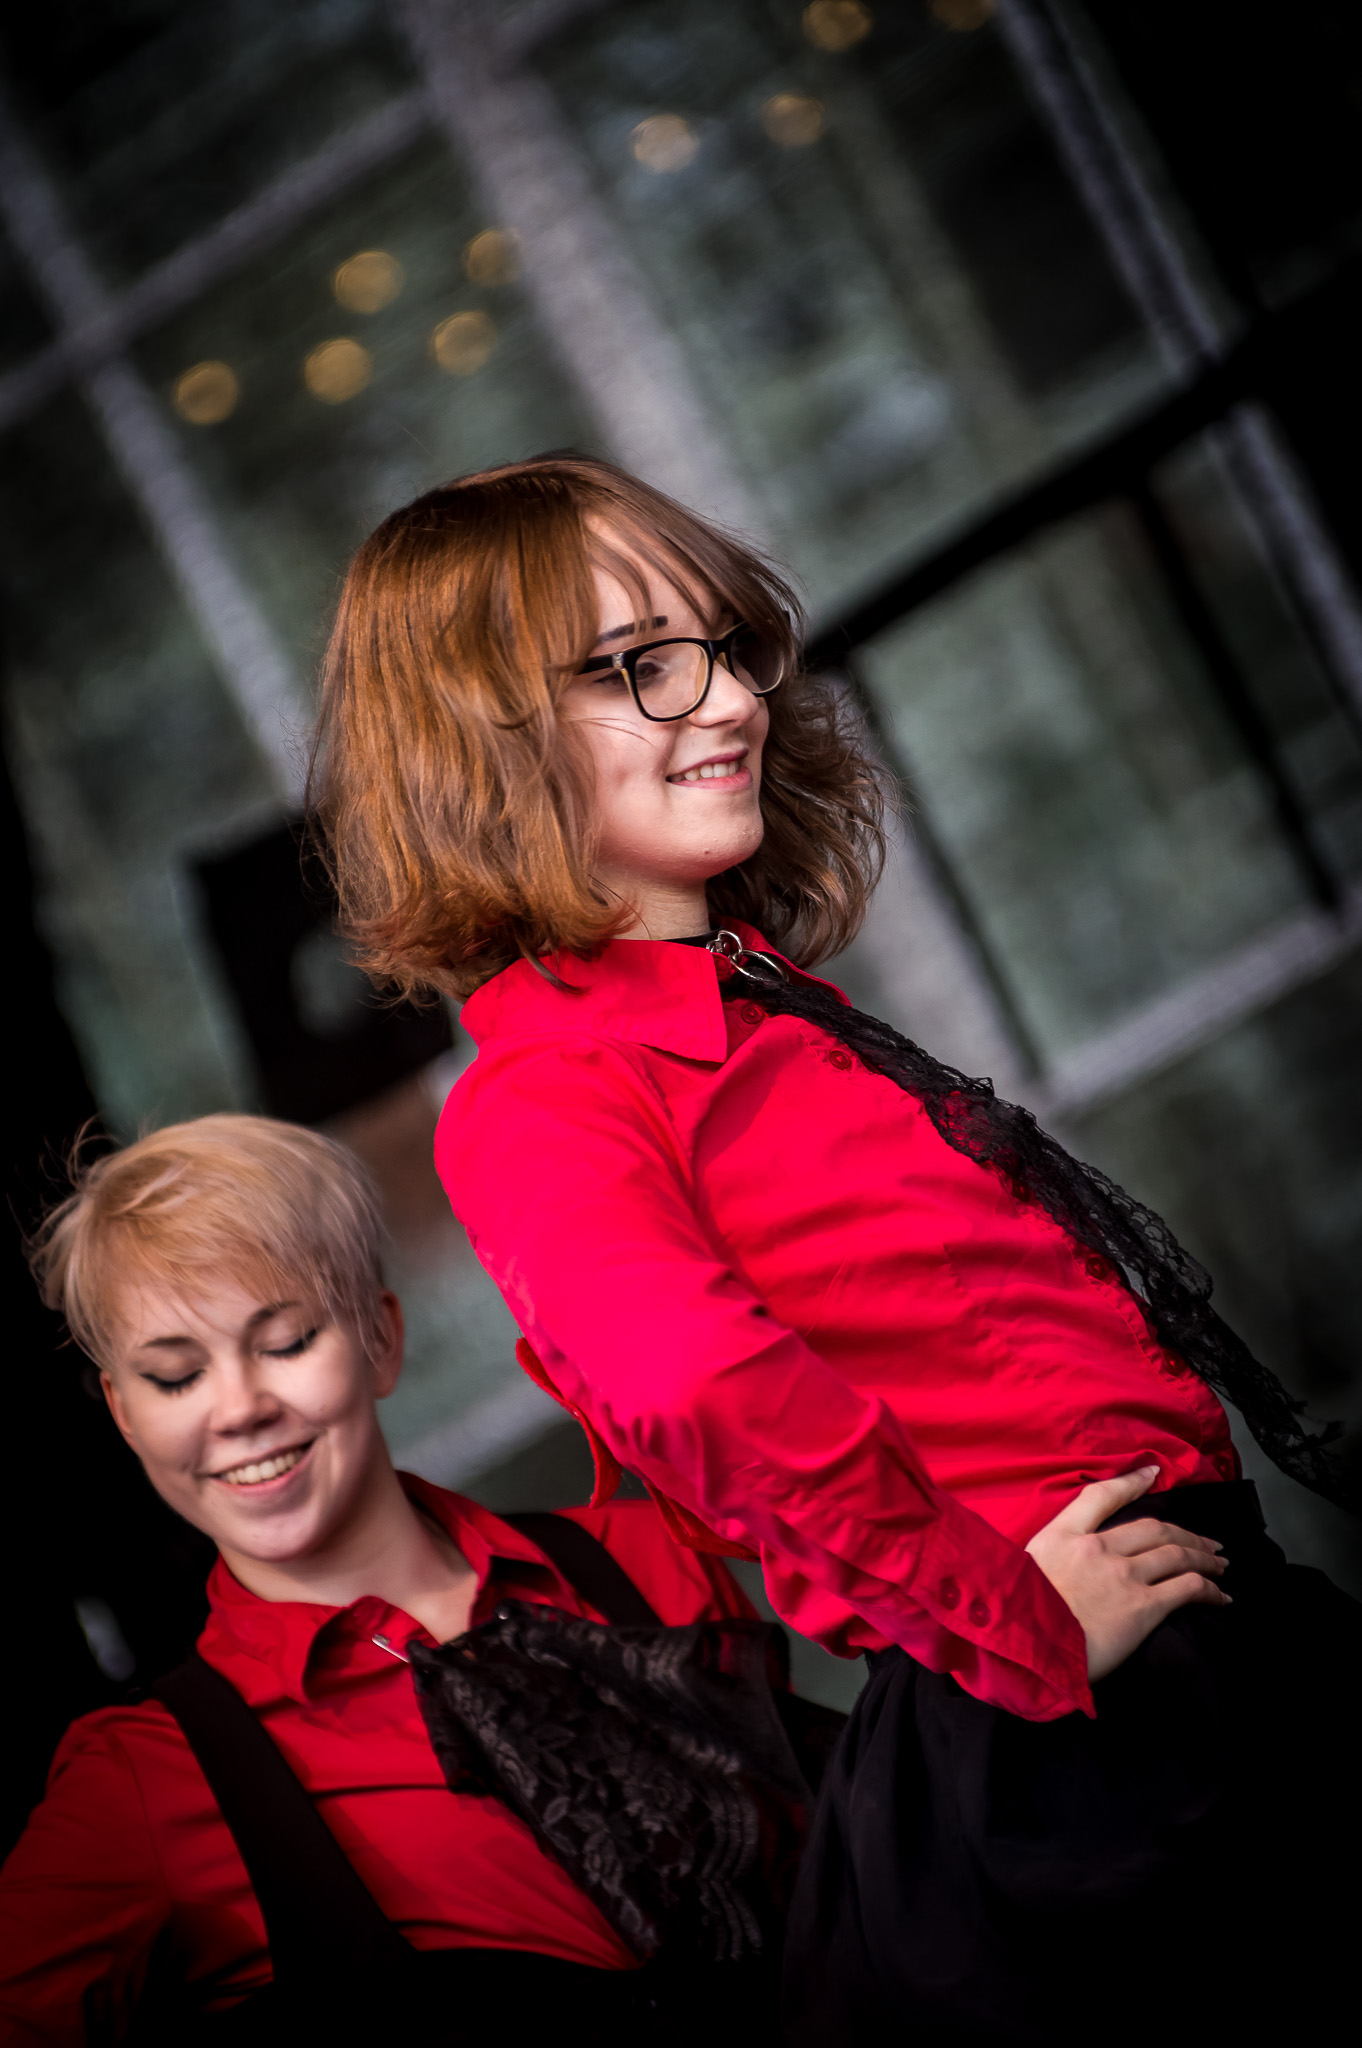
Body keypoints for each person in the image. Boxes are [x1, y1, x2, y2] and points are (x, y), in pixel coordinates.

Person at [312, 451, 1362, 2045]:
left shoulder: (751, 1002)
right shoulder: (545, 1096)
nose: (728, 699)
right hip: (1073, 1726)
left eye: (721, 646)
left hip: (1173, 1646)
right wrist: (1011, 1621)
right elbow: (692, 1383)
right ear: (482, 740)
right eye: (634, 667)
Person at [0, 1114, 800, 2047]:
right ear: (125, 1415)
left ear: (380, 1338)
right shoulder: (142, 1778)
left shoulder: (648, 1557)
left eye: (286, 1341)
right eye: (176, 1377)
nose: (240, 1409)